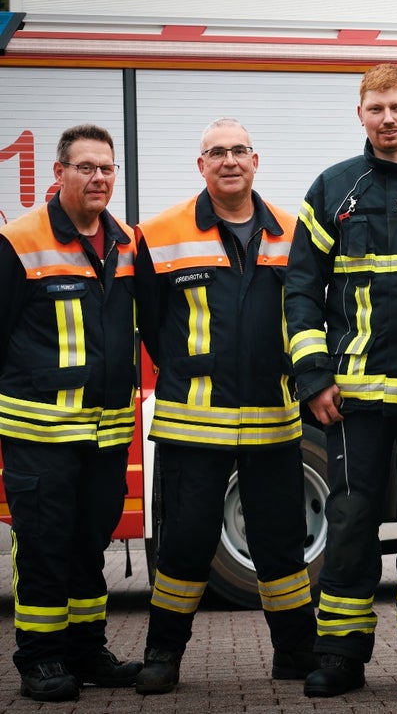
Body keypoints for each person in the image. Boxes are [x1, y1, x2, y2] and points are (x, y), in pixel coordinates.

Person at [284, 64, 397, 697]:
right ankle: (340, 654)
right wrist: (313, 375)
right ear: (359, 114)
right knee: (352, 519)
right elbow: (302, 288)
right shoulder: (334, 188)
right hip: (353, 397)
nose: (388, 119)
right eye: (375, 108)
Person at [132, 118, 317, 694]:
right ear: (201, 165)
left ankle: (295, 654)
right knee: (185, 543)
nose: (229, 160)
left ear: (255, 161)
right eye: (217, 152)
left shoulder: (293, 231)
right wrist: (190, 373)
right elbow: (152, 324)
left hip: (273, 419)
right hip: (193, 423)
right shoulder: (159, 234)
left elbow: (309, 310)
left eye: (239, 151)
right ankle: (163, 655)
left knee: (281, 543)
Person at [0, 124, 142, 702]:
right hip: (40, 434)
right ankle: (38, 657)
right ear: (59, 173)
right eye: (85, 167)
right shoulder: (20, 241)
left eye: (106, 168)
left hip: (106, 435)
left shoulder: (126, 242)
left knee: (91, 543)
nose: (98, 177)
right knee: (43, 543)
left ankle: (87, 650)